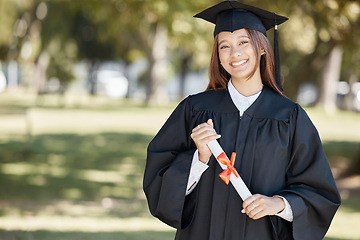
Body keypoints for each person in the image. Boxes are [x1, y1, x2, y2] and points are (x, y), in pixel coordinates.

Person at [143, 1, 341, 239]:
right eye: (224, 46)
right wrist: (199, 159)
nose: (234, 53)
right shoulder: (195, 110)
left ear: (262, 48)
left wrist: (278, 204)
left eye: (243, 42)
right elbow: (158, 181)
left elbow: (320, 193)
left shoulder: (289, 117)